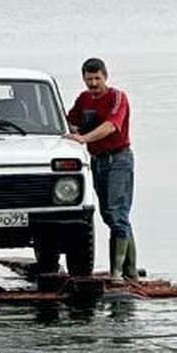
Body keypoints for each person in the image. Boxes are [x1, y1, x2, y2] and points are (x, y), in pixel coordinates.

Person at [64, 57, 137, 280]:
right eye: (89, 79)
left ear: (105, 76)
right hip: (97, 161)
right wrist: (71, 130)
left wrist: (84, 138)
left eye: (97, 78)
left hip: (119, 159)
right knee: (108, 215)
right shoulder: (84, 99)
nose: (93, 83)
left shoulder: (117, 97)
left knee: (118, 213)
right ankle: (130, 271)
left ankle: (118, 273)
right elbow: (70, 121)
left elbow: (111, 126)